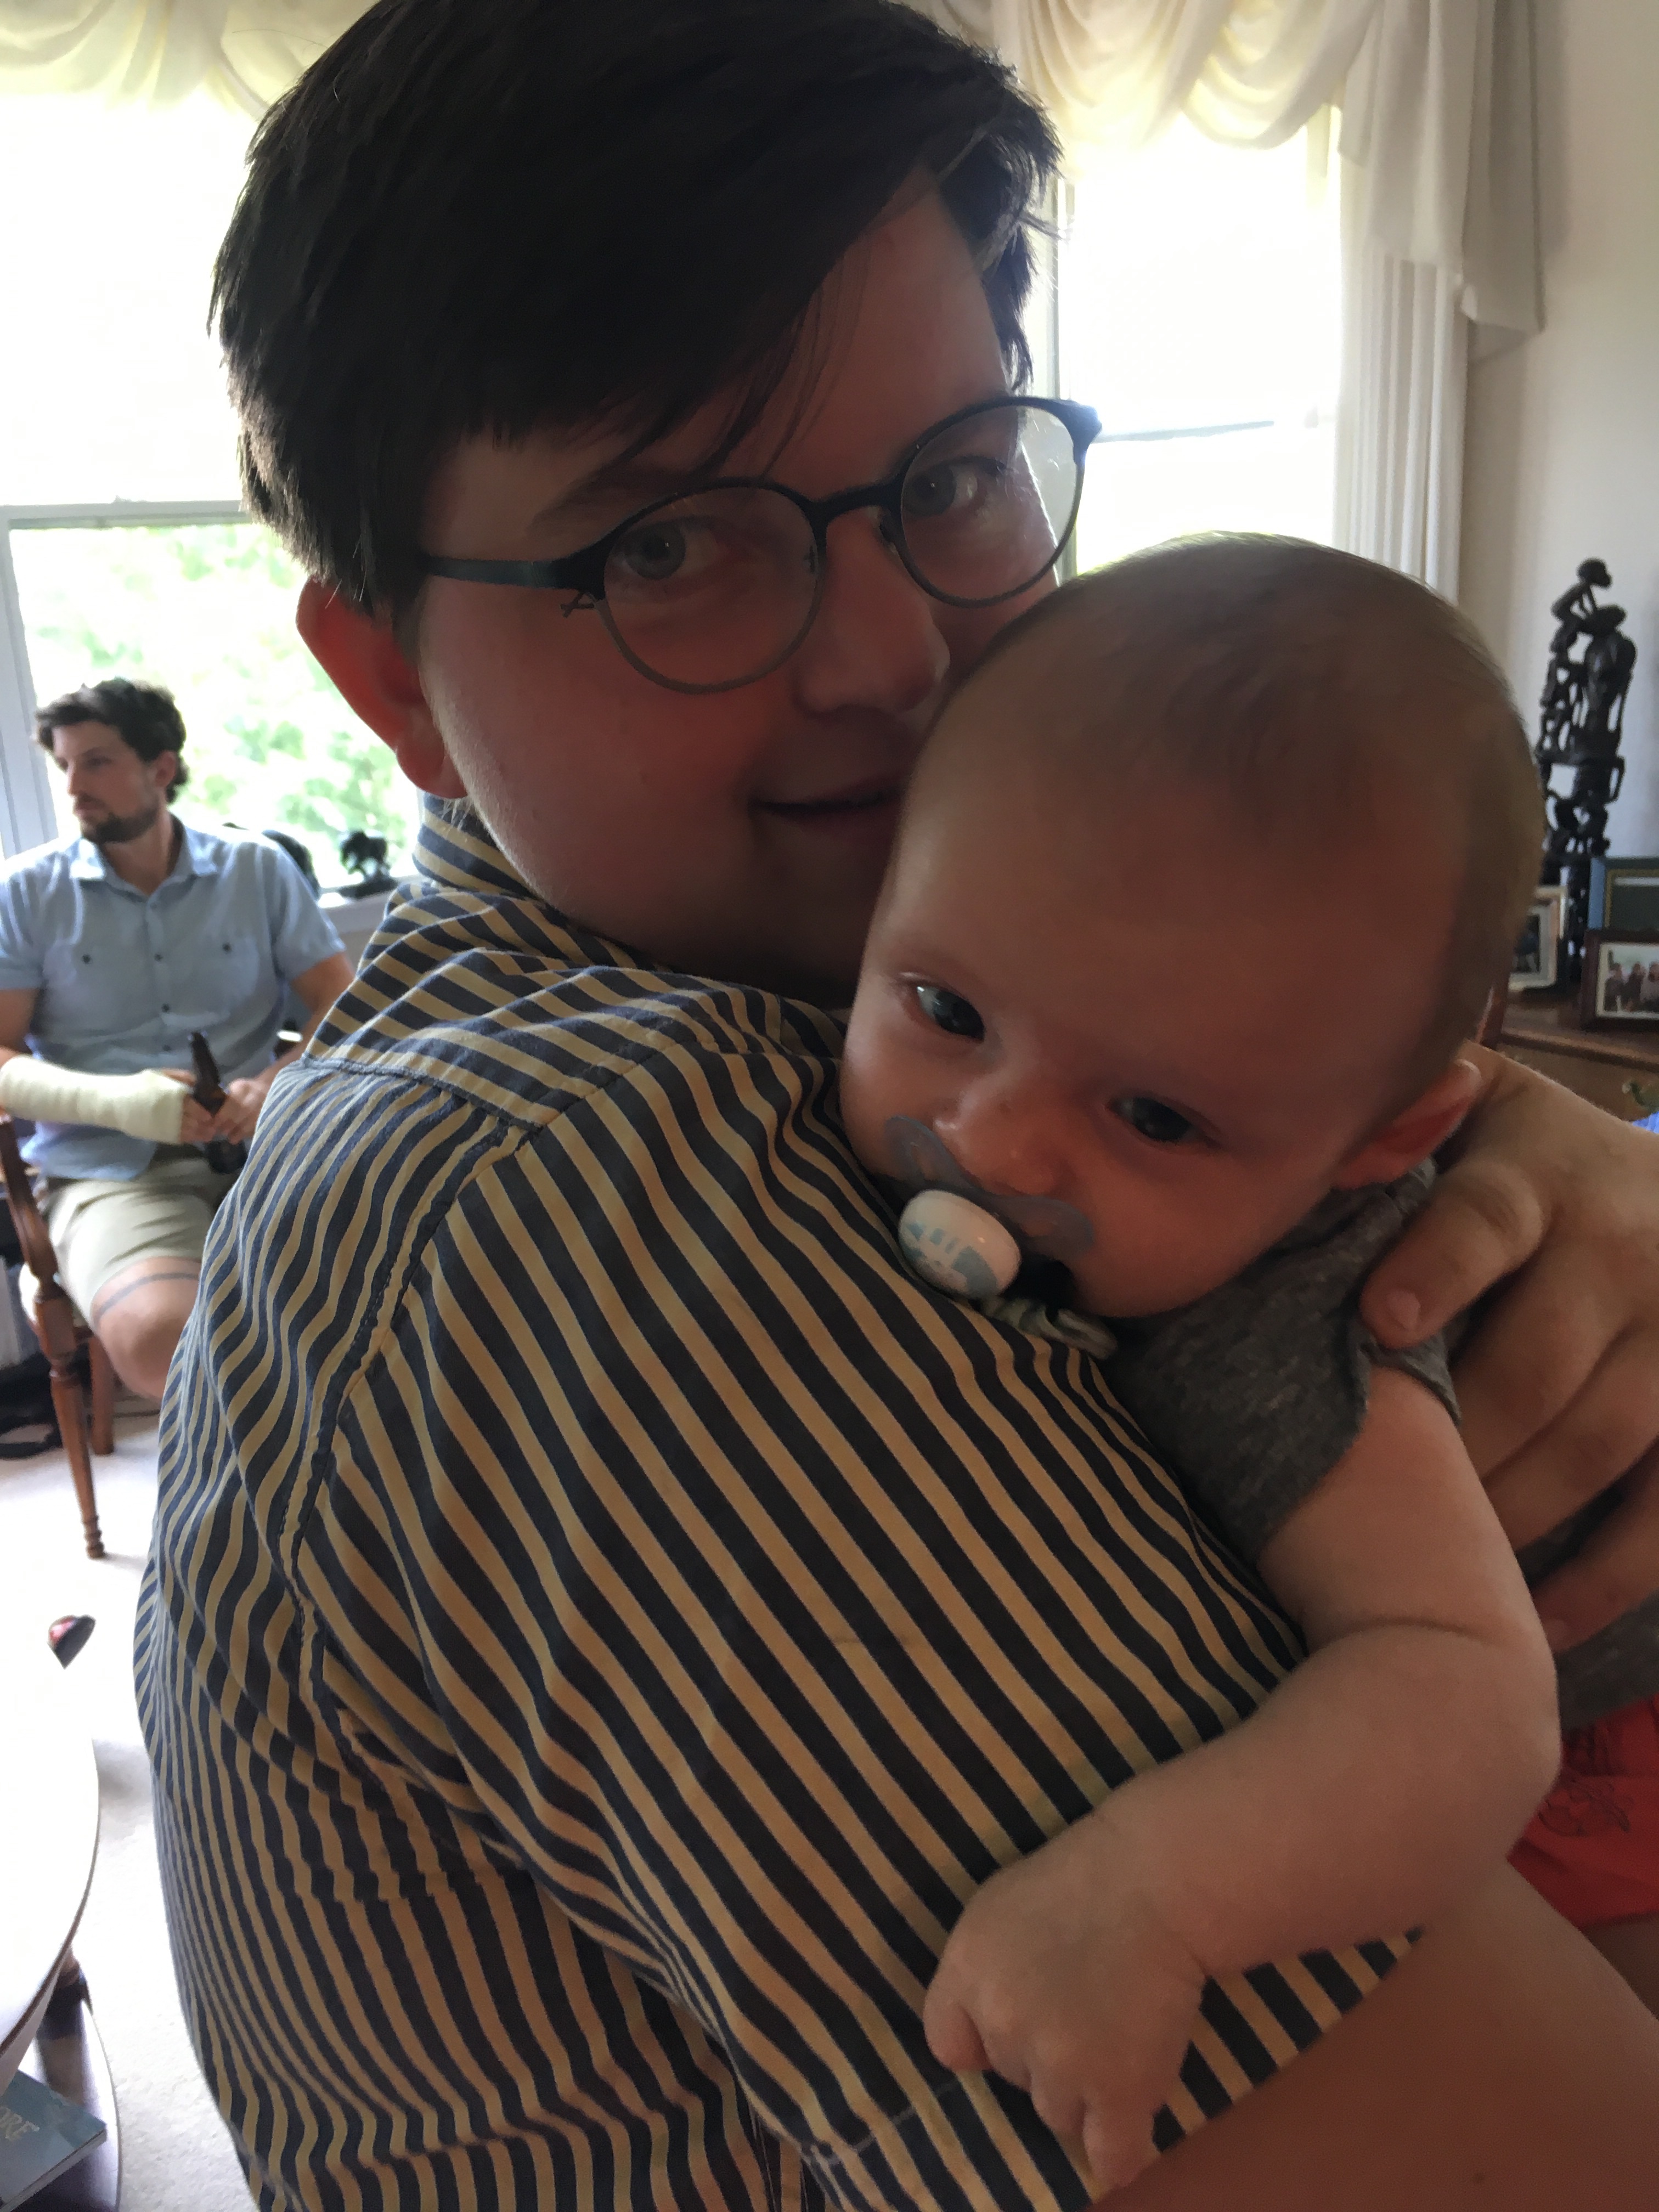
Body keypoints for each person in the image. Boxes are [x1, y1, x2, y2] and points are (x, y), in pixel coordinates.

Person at [137, 4, 1659, 2208]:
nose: (892, 661)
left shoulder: (798, 1033)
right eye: (668, 546)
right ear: (392, 681)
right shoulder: (600, 1186)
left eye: (950, 477)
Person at [838, 540, 1659, 2177]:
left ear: (1382, 1146)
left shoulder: (1287, 1311)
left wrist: (1155, 1895)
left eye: (1153, 1115)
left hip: (1596, 1736)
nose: (992, 1140)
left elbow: (1467, 1693)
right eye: (946, 1007)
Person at [0, 679, 352, 1396]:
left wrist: (276, 1082)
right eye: (64, 766)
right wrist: (123, 1103)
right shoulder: (25, 894)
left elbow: (345, 1008)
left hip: (276, 1147)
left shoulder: (258, 869)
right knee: (166, 1340)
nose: (74, 788)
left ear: (161, 767)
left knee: (410, 1287)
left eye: (96, 763)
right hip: (111, 1174)